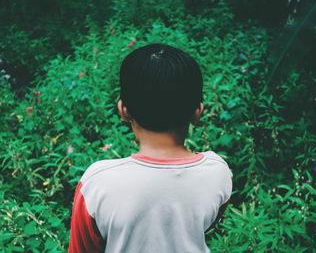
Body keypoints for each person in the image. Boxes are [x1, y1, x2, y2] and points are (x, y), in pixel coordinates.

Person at [69, 43, 233, 253]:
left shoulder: (97, 183)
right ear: (198, 112)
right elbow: (208, 222)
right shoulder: (218, 172)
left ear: (123, 110)